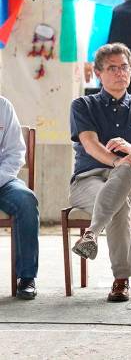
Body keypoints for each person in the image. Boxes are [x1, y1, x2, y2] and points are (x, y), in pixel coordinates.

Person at [69, 43, 131, 302]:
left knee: (127, 173)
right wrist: (117, 160)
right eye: (112, 68)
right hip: (87, 181)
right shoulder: (83, 105)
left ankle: (91, 234)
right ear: (98, 73)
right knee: (118, 202)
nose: (120, 73)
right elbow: (90, 144)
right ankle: (121, 280)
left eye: (125, 67)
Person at [0, 97, 38, 300]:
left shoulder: (3, 106)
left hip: (2, 181)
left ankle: (26, 277)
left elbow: (15, 153)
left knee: (26, 200)